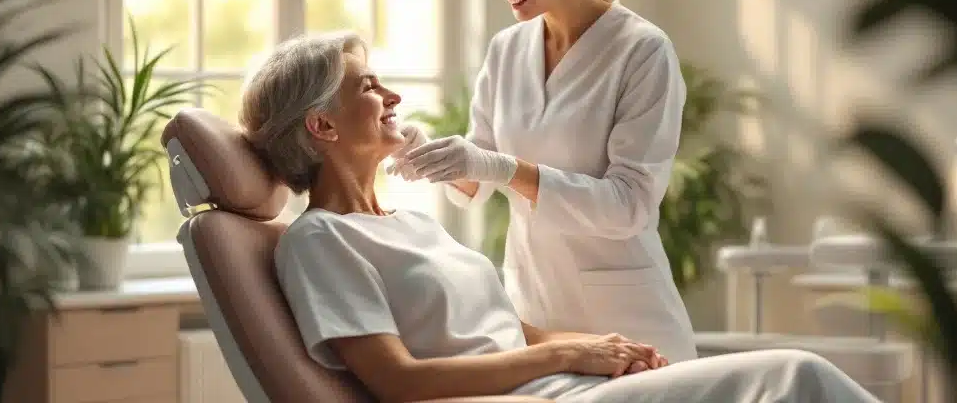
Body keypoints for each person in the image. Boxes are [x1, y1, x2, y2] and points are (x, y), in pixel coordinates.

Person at [238, 32, 879, 403]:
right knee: (796, 378)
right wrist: (565, 353)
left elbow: (506, 328)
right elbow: (398, 381)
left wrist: (598, 349)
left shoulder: (409, 224)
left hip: (560, 388)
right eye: (369, 86)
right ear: (321, 125)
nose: (394, 96)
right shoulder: (317, 241)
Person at [389, 0, 697, 363]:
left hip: (630, 319)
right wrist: (426, 150)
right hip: (535, 311)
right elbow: (476, 178)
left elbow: (630, 205)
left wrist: (506, 169)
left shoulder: (641, 51)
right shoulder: (507, 49)